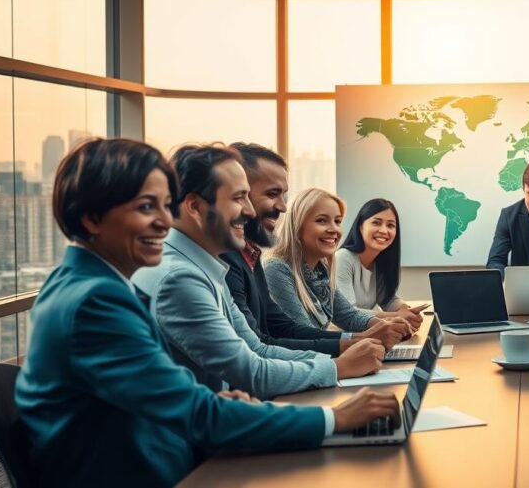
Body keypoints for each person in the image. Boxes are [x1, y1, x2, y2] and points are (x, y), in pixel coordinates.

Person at [15, 139, 400, 488]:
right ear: (91, 218)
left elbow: (167, 392)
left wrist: (216, 398)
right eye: (147, 207)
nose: (165, 222)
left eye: (166, 205)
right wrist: (336, 419)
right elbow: (197, 416)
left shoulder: (96, 284)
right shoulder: (96, 302)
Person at [133, 144, 385, 399]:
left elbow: (257, 350)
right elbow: (252, 372)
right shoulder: (179, 278)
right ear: (195, 207)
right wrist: (337, 368)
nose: (250, 211)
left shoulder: (208, 267)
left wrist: (344, 355)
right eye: (238, 198)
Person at [222, 143, 410, 354]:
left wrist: (372, 333)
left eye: (338, 221)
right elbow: (270, 342)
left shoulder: (260, 259)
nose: (283, 207)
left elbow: (289, 326)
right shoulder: (272, 268)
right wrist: (351, 352)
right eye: (322, 221)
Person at [266, 188, 415, 341]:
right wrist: (364, 336)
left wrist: (386, 326)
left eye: (337, 221)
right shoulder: (276, 269)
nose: (334, 229)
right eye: (322, 220)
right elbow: (304, 335)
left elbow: (348, 316)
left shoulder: (320, 270)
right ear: (296, 226)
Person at [335, 198, 425, 329]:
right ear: (360, 226)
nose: (384, 230)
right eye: (376, 223)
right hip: (343, 339)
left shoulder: (378, 261)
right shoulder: (342, 258)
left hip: (367, 336)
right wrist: (397, 316)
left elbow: (387, 299)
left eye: (390, 225)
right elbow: (349, 313)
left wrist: (406, 310)